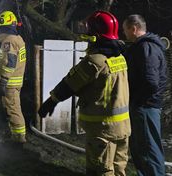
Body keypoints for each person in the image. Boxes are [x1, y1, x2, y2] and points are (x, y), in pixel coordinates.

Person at [39, 10, 130, 176]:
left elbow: (69, 84)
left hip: (103, 129)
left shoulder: (95, 61)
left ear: (95, 34)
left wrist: (51, 101)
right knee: (118, 169)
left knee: (101, 170)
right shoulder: (120, 57)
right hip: (122, 126)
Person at [123, 14, 167, 176]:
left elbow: (151, 82)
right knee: (142, 148)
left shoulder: (146, 47)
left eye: (125, 30)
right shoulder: (142, 47)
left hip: (146, 106)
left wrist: (137, 101)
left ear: (133, 28)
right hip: (145, 105)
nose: (124, 34)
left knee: (149, 149)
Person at [0, 10, 27, 143]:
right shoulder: (18, 39)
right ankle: (13, 134)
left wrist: (3, 81)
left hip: (9, 84)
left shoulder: (10, 41)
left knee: (13, 110)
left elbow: (10, 62)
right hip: (14, 83)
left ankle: (19, 138)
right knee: (11, 109)